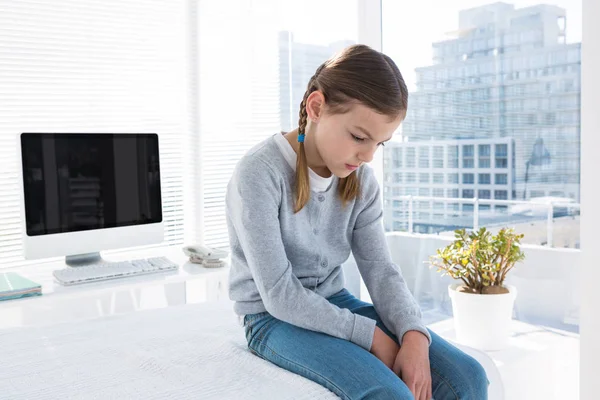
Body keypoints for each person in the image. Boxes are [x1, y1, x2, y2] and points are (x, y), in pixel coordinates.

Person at [225, 44, 488, 400]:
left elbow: (380, 270)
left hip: (335, 303)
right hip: (271, 319)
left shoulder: (362, 182)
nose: (367, 156)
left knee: (468, 378)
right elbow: (279, 296)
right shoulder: (259, 173)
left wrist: (413, 334)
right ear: (316, 107)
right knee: (389, 394)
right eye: (359, 137)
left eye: (380, 144)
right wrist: (372, 336)